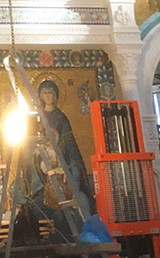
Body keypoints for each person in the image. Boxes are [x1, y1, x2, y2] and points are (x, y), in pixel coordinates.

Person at [37, 79, 95, 218]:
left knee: (74, 173)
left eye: (50, 93)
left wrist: (71, 161)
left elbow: (69, 143)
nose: (47, 97)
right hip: (42, 155)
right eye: (45, 93)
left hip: (60, 156)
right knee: (34, 175)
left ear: (55, 96)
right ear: (41, 96)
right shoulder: (37, 117)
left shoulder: (61, 117)